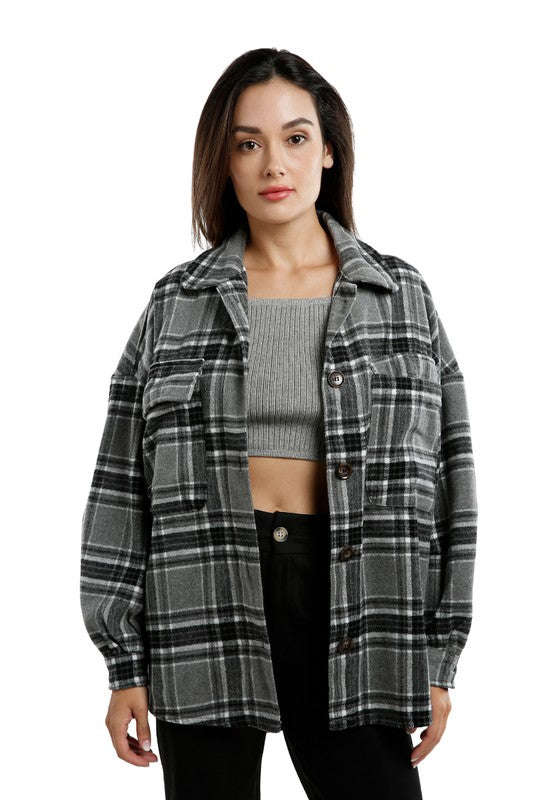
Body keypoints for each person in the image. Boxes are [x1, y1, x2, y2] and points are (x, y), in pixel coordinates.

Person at [80, 48, 478, 800]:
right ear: (224, 161)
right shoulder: (177, 304)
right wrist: (122, 663)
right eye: (247, 143)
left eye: (296, 138)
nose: (274, 163)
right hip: (204, 589)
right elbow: (120, 489)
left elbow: (452, 483)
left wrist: (439, 656)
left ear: (328, 150)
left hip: (362, 599)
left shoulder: (400, 295)